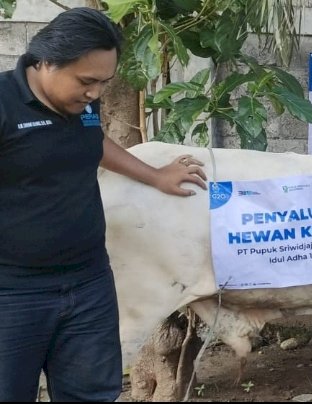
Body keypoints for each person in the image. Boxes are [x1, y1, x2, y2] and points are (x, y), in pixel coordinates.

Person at [0, 8, 207, 402]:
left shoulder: (83, 106)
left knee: (92, 395)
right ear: (45, 62)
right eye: (86, 81)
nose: (95, 93)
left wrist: (156, 175)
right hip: (12, 293)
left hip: (88, 283)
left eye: (103, 83)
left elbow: (94, 143)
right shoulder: (4, 104)